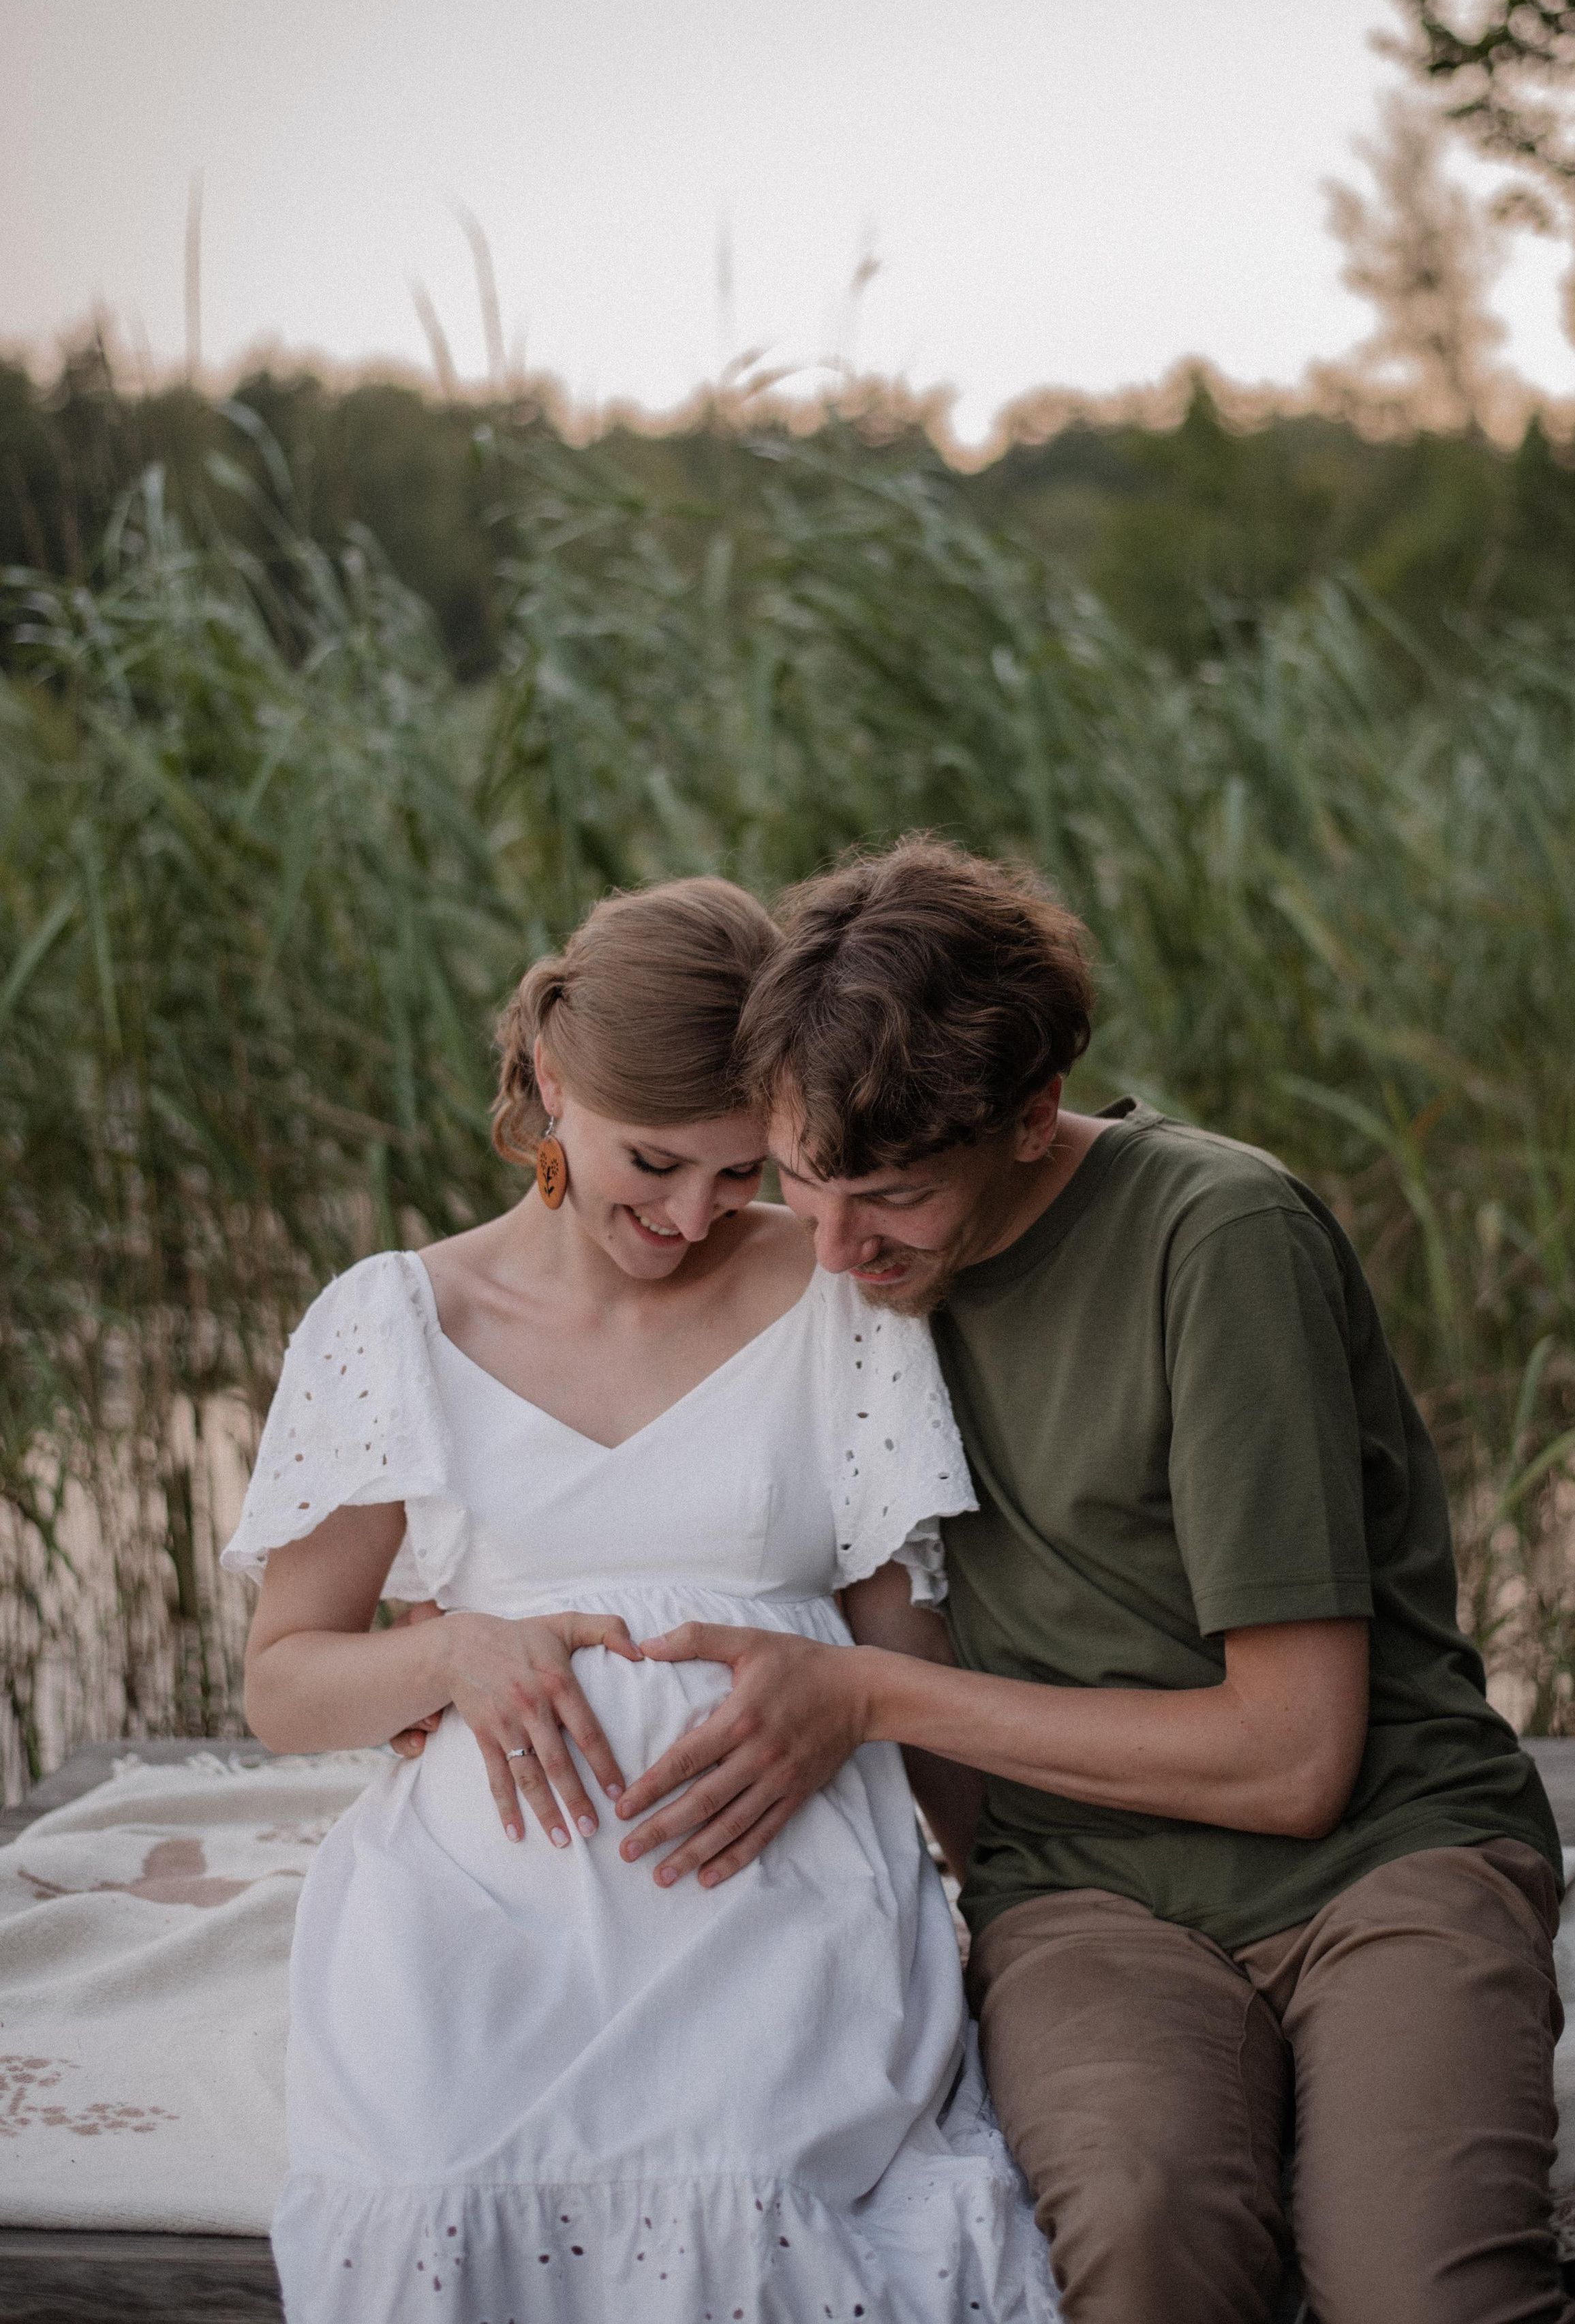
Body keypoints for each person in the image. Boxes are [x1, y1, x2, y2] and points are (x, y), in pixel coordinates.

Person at [602, 839, 1575, 2324]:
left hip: (1380, 1858)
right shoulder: (834, 1269)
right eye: (799, 1184)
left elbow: (1296, 1757)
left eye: (890, 1200)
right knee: (1138, 2240)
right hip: (1083, 1892)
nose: (837, 1248)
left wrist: (868, 1695)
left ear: (1031, 1114)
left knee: (1414, 2287)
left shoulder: (1215, 1239)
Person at [223, 876, 1059, 2324]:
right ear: (551, 1082)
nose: (690, 1217)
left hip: (774, 1894)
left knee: (761, 2192)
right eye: (653, 1162)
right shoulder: (394, 1322)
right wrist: (456, 1653)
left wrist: (1009, 1892)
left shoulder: (835, 1291)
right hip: (486, 1913)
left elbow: (897, 1644)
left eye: (742, 1174)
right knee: (440, 2199)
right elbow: (284, 1683)